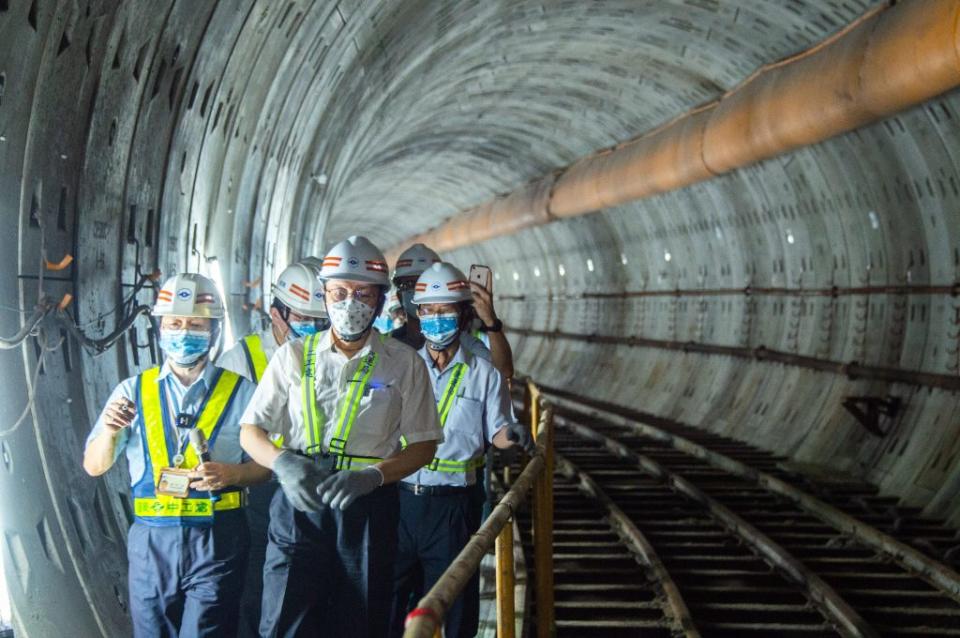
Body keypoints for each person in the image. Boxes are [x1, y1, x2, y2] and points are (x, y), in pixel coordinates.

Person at [238, 235, 443, 638]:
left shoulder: (404, 364)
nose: (351, 303)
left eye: (363, 293)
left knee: (359, 622)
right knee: (283, 621)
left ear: (381, 301)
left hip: (367, 506)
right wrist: (282, 462)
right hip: (300, 502)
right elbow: (251, 430)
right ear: (326, 296)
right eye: (340, 292)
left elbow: (423, 445)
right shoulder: (293, 356)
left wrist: (373, 476)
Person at [82, 273, 270, 638]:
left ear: (214, 329)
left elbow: (266, 467)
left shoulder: (244, 393)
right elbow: (94, 466)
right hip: (152, 542)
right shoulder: (131, 390)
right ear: (160, 328)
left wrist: (232, 475)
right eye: (174, 323)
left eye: (195, 324)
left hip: (218, 539)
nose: (184, 332)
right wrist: (108, 429)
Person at [388, 262, 533, 638]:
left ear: (463, 314)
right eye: (429, 311)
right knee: (389, 603)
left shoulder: (483, 371)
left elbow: (497, 430)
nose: (436, 320)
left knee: (455, 608)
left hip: (453, 506)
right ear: (418, 314)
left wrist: (514, 434)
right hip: (401, 502)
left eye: (446, 310)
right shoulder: (402, 367)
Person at [217, 261, 328, 638]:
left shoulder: (330, 354)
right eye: (303, 318)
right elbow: (223, 440)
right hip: (258, 495)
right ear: (277, 313)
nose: (313, 327)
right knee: (256, 594)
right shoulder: (241, 361)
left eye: (321, 319)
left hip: (315, 487)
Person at [391, 243, 514, 379]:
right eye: (409, 285)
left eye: (425, 282)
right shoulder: (386, 345)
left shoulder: (463, 344)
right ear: (398, 295)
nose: (419, 290)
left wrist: (491, 321)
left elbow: (503, 373)